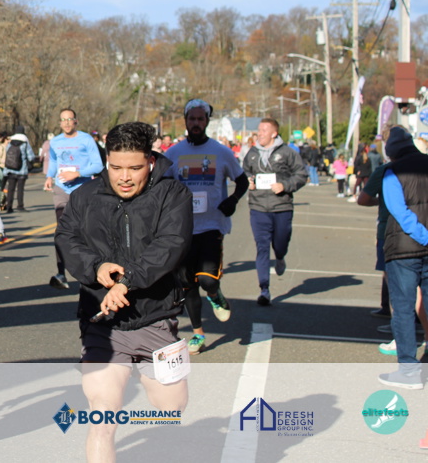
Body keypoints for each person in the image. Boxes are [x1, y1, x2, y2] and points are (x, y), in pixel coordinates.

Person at [55, 121, 192, 463]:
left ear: (151, 161)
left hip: (155, 317)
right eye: (116, 168)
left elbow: (170, 245)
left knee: (171, 408)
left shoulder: (174, 195)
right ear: (107, 161)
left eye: (134, 168)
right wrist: (96, 267)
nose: (124, 177)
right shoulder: (84, 197)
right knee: (102, 417)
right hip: (103, 323)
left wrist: (127, 281)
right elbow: (67, 239)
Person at [164, 99, 249, 354]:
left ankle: (215, 294)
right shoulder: (174, 153)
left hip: (212, 225)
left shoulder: (221, 152)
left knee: (207, 279)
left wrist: (232, 200)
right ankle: (198, 334)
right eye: (192, 119)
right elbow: (162, 186)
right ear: (186, 121)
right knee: (187, 283)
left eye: (200, 119)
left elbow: (242, 181)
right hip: (182, 228)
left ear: (207, 122)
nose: (196, 123)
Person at [370, 126, 428, 389]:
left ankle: (408, 370)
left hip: (403, 248)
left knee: (403, 309)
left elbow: (399, 211)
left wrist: (423, 235)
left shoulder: (391, 171)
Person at [241, 117, 308, 306]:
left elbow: (301, 175)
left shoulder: (287, 152)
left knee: (280, 243)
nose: (259, 133)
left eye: (264, 130)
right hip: (258, 207)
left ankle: (280, 256)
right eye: (259, 130)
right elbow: (244, 172)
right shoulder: (252, 153)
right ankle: (264, 290)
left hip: (281, 206)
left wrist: (285, 185)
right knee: (262, 247)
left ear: (274, 133)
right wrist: (248, 181)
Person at [44, 108, 104, 290]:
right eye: (63, 120)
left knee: (85, 231)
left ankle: (90, 271)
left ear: (76, 121)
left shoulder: (86, 140)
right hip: (61, 189)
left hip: (83, 190)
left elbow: (98, 166)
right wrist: (49, 176)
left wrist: (77, 173)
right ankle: (61, 273)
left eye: (70, 119)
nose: (67, 123)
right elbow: (54, 161)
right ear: (60, 123)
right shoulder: (55, 142)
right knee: (61, 231)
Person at [3, 125, 35, 213]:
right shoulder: (25, 143)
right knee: (20, 189)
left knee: (10, 189)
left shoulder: (10, 142)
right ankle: (20, 206)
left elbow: (6, 153)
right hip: (22, 170)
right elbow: (31, 156)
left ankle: (9, 206)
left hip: (10, 169)